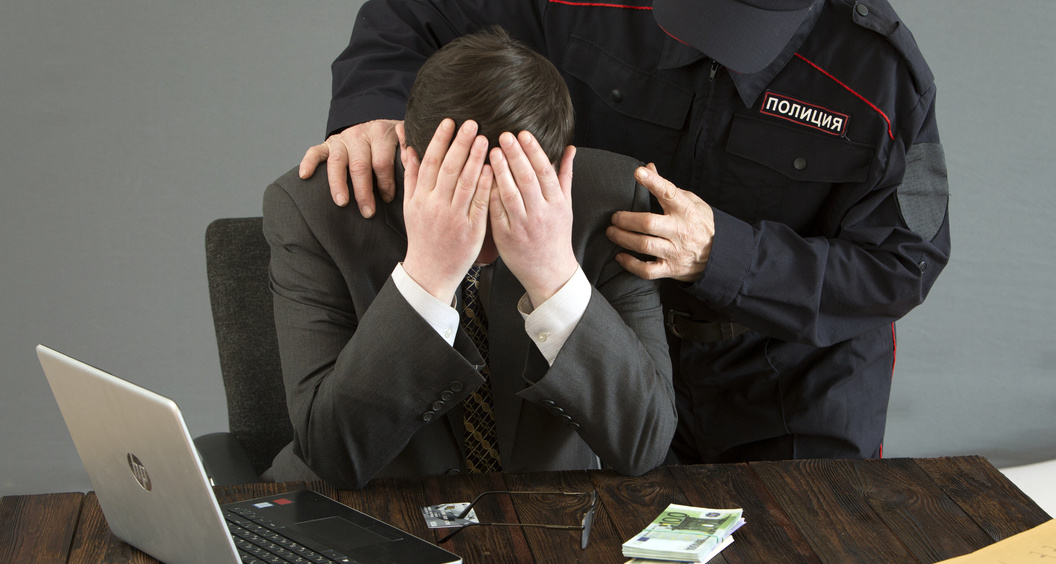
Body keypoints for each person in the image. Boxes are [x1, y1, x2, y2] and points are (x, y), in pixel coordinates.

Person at [299, 0, 951, 463]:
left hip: (791, 384)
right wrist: (372, 111)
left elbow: (904, 264)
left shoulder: (884, 76)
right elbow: (412, 11)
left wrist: (724, 256)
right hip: (615, 342)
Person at [263, 28, 676, 490]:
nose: (480, 236)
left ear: (560, 167)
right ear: (408, 153)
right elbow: (331, 454)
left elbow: (645, 443)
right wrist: (427, 277)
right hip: (369, 506)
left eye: (509, 205)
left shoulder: (612, 198)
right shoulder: (313, 208)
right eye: (459, 197)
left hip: (547, 513)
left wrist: (554, 275)